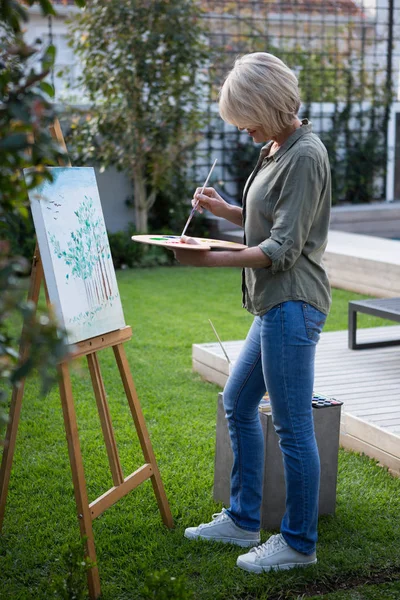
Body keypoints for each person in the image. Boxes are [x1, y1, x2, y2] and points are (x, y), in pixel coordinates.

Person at [174, 52, 331, 574]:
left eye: (247, 117)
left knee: (292, 428)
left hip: (293, 303)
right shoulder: (275, 147)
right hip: (272, 305)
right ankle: (243, 519)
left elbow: (283, 246)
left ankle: (298, 544)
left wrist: (208, 255)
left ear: (269, 104)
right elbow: (272, 217)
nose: (242, 129)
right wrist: (223, 211)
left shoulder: (305, 155)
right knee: (237, 403)